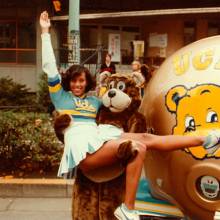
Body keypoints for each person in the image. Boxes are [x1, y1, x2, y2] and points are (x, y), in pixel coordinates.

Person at [40, 11, 220, 220]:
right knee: (138, 148)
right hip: (84, 148)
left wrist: (143, 85)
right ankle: (128, 208)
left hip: (99, 136)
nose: (77, 84)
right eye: (73, 80)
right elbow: (50, 69)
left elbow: (122, 104)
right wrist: (45, 32)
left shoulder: (94, 101)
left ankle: (206, 139)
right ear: (68, 82)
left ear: (87, 82)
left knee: (147, 139)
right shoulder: (61, 98)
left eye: (81, 81)